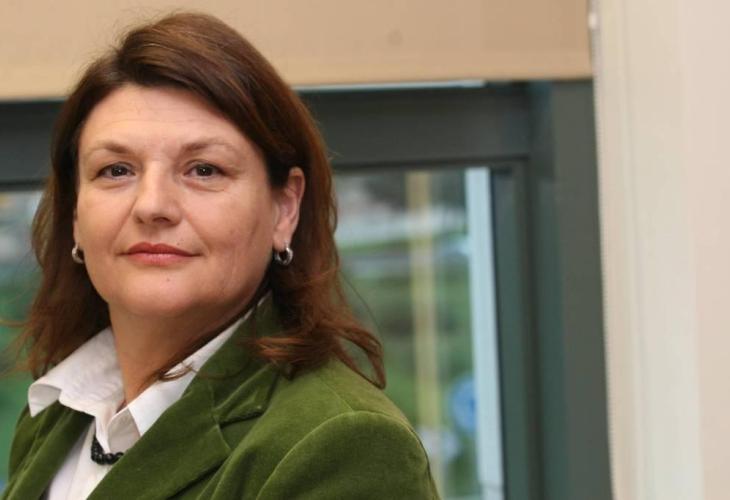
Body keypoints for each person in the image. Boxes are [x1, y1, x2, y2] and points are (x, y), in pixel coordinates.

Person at [2, 12, 439, 500]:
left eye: (204, 170)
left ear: (284, 209)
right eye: (116, 170)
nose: (152, 206)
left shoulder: (345, 445)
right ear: (76, 215)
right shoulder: (55, 417)